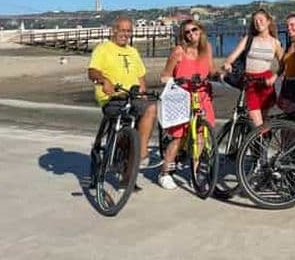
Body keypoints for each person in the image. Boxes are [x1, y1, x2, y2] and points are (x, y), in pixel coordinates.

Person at [87, 16, 157, 173]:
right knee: (124, 125)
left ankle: (140, 154)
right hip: (113, 98)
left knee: (150, 109)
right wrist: (103, 80)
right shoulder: (103, 48)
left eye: (129, 31)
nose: (126, 34)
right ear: (114, 30)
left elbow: (140, 78)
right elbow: (92, 71)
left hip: (133, 97)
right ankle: (121, 152)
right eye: (123, 30)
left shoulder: (133, 51)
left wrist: (143, 94)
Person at [157, 19, 218, 190]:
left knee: (200, 135)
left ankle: (196, 173)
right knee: (179, 137)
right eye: (187, 32)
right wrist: (176, 80)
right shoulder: (178, 52)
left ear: (201, 31)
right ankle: (165, 172)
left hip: (203, 95)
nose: (191, 34)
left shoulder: (207, 48)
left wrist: (220, 73)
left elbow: (211, 69)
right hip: (182, 97)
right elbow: (165, 75)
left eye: (194, 30)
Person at [222, 9, 284, 128]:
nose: (258, 23)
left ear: (268, 22)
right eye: (255, 21)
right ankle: (258, 142)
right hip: (250, 82)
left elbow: (283, 65)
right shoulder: (249, 39)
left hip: (266, 82)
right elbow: (233, 56)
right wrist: (228, 64)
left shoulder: (275, 43)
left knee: (264, 122)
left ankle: (261, 145)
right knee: (257, 124)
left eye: (261, 20)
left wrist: (274, 78)